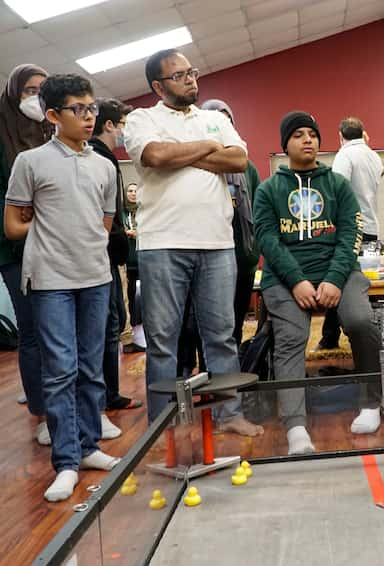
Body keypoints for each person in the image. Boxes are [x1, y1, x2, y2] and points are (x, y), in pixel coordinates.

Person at [123, 49, 262, 436]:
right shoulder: (141, 119)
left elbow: (238, 161)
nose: (191, 80)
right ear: (157, 85)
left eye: (192, 72)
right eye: (179, 75)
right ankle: (163, 423)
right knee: (163, 339)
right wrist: (207, 148)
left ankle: (229, 414)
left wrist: (180, 154)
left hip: (218, 243)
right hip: (162, 243)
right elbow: (154, 154)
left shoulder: (214, 119)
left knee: (222, 335)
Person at [5, 74, 121, 501]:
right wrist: (48, 225)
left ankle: (90, 446)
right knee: (60, 371)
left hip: (96, 277)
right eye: (78, 109)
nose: (89, 117)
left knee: (92, 369)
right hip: (49, 279)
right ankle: (67, 461)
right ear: (53, 115)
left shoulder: (105, 166)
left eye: (92, 108)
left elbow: (104, 226)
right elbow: (13, 225)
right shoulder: (30, 162)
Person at [254, 111, 384, 452]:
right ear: (285, 144)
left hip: (339, 273)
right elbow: (267, 239)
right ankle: (295, 426)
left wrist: (335, 279)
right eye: (298, 134)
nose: (307, 139)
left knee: (360, 320)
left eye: (312, 133)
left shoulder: (337, 184)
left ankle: (372, 403)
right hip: (284, 278)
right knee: (292, 336)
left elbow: (350, 233)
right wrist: (297, 281)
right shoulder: (269, 189)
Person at [0, 64, 50, 445]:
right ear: (15, 92)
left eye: (42, 90)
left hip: (53, 243)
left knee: (58, 328)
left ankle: (69, 405)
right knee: (32, 327)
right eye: (29, 90)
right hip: (13, 246)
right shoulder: (1, 133)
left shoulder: (48, 130)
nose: (36, 97)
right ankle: (42, 407)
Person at [89, 98, 142, 413]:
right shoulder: (98, 157)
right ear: (110, 125)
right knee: (108, 325)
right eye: (124, 123)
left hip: (110, 254)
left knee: (115, 321)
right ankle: (105, 397)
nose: (126, 130)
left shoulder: (107, 156)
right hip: (100, 256)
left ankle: (109, 394)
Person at [316, 116, 384, 351]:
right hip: (371, 226)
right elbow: (382, 171)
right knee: (358, 285)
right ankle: (332, 336)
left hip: (349, 228)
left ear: (340, 136)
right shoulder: (374, 155)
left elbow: (336, 187)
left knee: (342, 282)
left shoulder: (344, 154)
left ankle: (330, 338)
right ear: (363, 133)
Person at [200, 99, 261, 346]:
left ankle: (232, 373)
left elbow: (257, 213)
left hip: (242, 260)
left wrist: (253, 251)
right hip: (205, 258)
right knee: (205, 326)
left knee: (234, 323)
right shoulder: (196, 167)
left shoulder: (248, 168)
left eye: (226, 121)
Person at [122, 182, 145, 353]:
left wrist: (138, 233)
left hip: (144, 260)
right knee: (127, 297)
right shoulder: (121, 212)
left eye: (135, 191)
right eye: (129, 191)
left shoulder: (144, 210)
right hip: (127, 261)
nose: (132, 194)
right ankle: (130, 333)